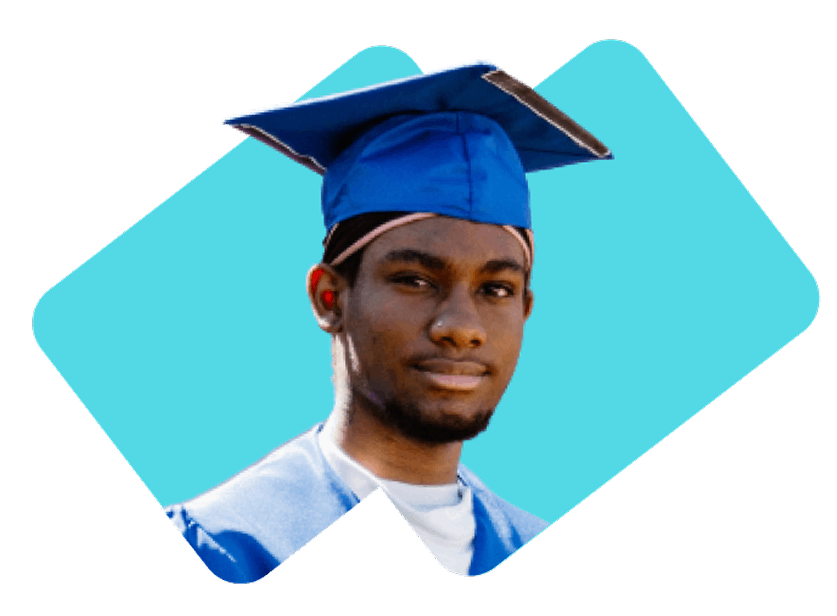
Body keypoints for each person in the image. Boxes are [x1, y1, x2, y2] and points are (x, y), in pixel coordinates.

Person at [162, 59, 612, 583]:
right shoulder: (230, 545)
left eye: (496, 289)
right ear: (330, 298)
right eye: (416, 281)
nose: (463, 327)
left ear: (526, 310)